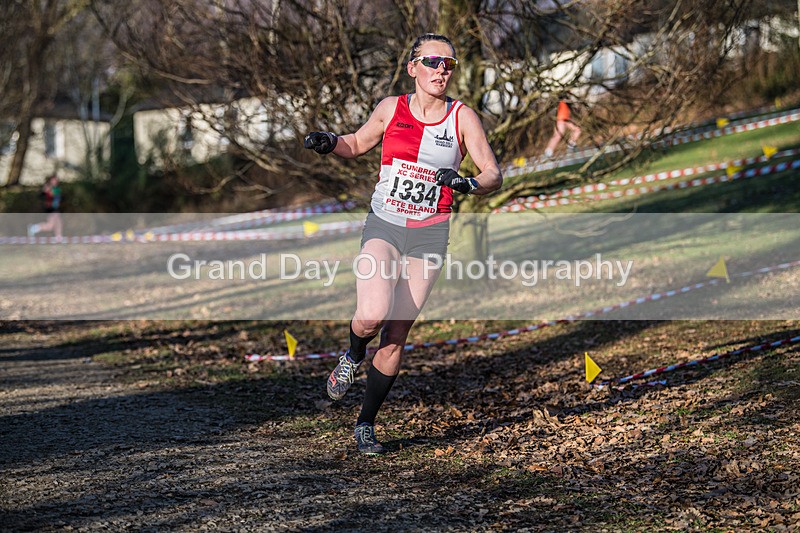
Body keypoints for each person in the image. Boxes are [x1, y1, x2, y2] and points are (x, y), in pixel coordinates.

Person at [304, 33, 502, 455]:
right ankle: (353, 355)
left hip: (430, 233)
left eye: (449, 64)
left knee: (395, 334)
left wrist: (467, 182)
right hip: (386, 225)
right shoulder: (391, 108)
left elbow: (493, 173)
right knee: (372, 315)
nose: (441, 70)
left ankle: (365, 424)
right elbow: (355, 143)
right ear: (413, 67)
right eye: (432, 61)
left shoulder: (462, 117)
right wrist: (329, 142)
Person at [543, 94, 581, 158]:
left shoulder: (567, 103)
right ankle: (549, 150)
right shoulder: (561, 101)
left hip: (566, 119)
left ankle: (571, 143)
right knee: (558, 135)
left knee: (577, 130)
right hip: (560, 120)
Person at [28, 174, 63, 240]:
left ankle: (58, 235)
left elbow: (58, 197)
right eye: (54, 180)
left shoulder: (56, 188)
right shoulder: (48, 188)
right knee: (50, 225)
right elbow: (42, 195)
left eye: (56, 180)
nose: (55, 181)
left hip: (55, 208)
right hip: (51, 208)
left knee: (57, 222)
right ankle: (34, 228)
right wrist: (45, 191)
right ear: (50, 181)